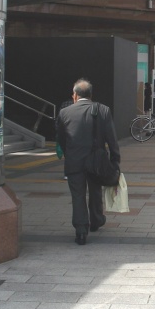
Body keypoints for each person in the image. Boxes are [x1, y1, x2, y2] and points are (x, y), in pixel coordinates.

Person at [56, 79, 121, 246]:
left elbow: (61, 139)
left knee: (77, 195)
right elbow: (111, 138)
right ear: (91, 95)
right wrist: (115, 160)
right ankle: (96, 220)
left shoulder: (64, 113)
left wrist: (69, 154)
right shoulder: (103, 110)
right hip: (96, 161)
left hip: (74, 161)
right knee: (95, 191)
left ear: (75, 95)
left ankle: (81, 231)